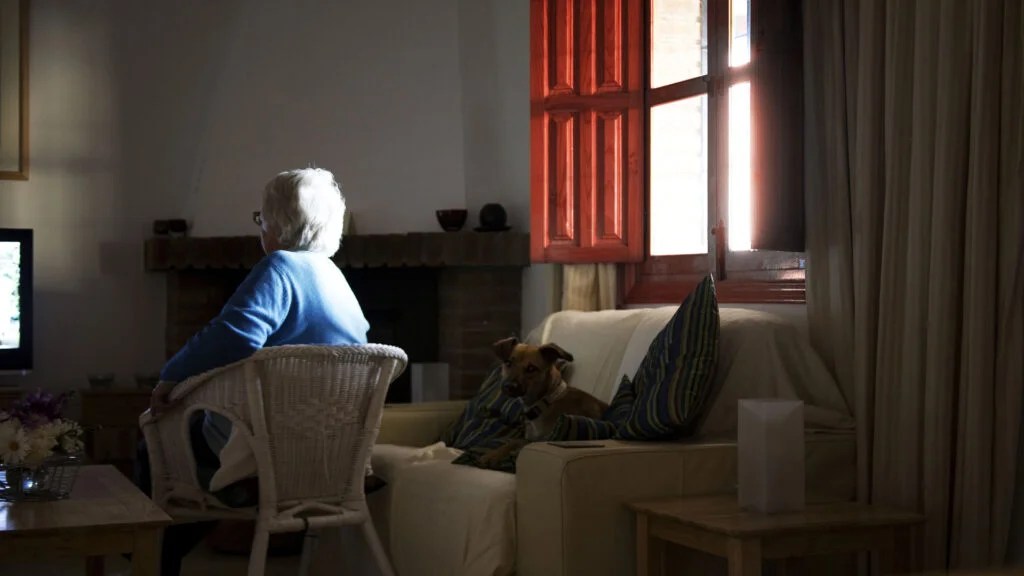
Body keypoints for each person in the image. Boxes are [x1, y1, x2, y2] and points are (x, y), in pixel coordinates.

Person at [136, 167, 369, 576]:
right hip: (327, 455)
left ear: (278, 222)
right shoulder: (337, 279)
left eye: (261, 217)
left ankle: (144, 559)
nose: (260, 227)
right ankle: (159, 559)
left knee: (154, 435)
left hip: (268, 451)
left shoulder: (279, 266)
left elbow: (233, 336)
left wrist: (170, 377)